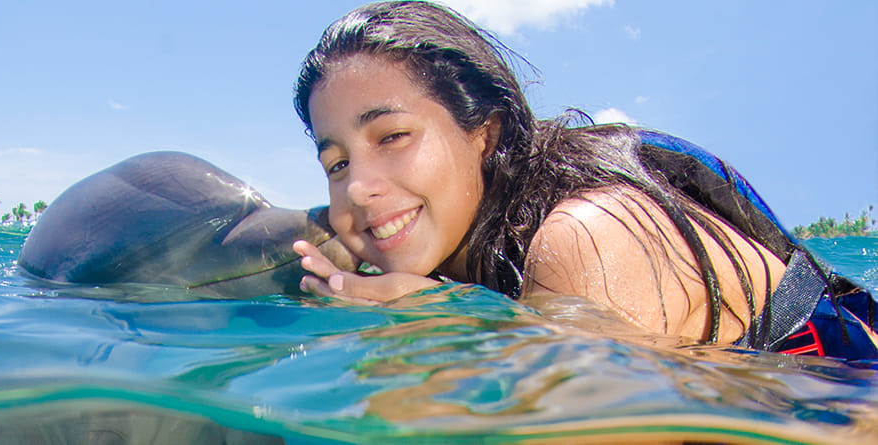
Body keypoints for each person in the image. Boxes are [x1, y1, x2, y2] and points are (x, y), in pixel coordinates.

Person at [290, 1, 877, 359]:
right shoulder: (459, 260)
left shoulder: (587, 236)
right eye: (336, 164)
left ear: (483, 134)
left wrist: (447, 322)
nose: (359, 186)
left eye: (392, 137)